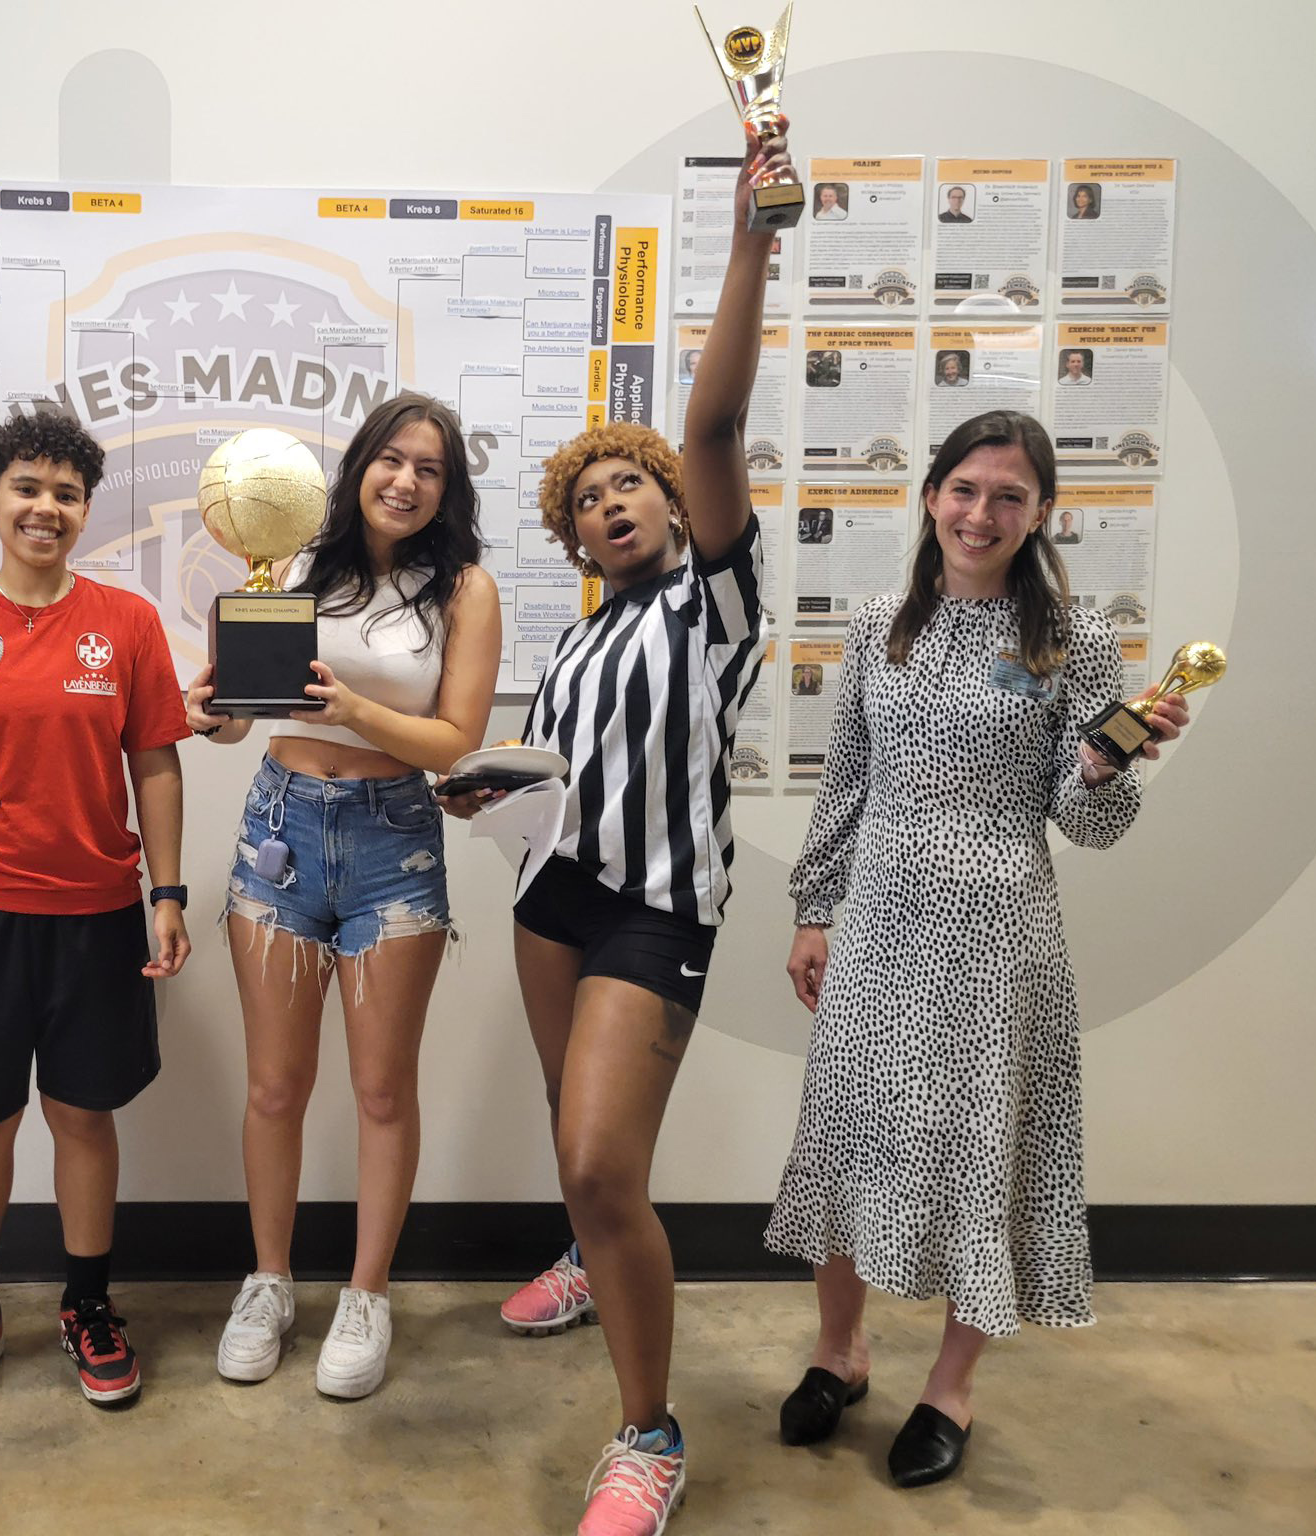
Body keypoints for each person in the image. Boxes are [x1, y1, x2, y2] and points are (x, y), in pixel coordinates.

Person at [453, 120, 789, 1536]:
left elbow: (713, 422)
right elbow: (574, 765)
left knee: (602, 1161)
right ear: (577, 536)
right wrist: (499, 784)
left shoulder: (713, 607)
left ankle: (648, 1436)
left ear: (671, 500)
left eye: (629, 486)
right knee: (570, 1128)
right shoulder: (584, 641)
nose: (611, 507)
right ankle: (593, 1258)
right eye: (588, 503)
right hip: (554, 899)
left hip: (661, 912)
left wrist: (750, 239)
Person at [764, 409, 1189, 1490]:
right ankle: (838, 1352)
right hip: (880, 920)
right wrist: (814, 908)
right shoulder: (877, 625)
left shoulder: (1073, 640)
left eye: (1008, 496)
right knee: (850, 1130)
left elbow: (1081, 823)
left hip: (999, 931)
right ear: (929, 496)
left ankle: (949, 1385)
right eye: (963, 489)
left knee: (985, 1149)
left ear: (1041, 512)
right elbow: (846, 776)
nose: (980, 513)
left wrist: (1102, 767)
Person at [185, 391, 499, 1400]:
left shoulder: (462, 591)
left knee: (377, 1088)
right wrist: (211, 710)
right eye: (389, 459)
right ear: (358, 466)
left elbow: (454, 742)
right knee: (275, 1086)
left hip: (391, 845)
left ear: (446, 490)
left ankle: (366, 1294)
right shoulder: (291, 572)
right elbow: (245, 720)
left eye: (429, 468)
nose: (404, 480)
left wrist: (352, 703)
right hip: (278, 830)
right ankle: (268, 1280)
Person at [0, 410, 191, 1419]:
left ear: (84, 511)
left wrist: (168, 893)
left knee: (81, 1115)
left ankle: (88, 1306)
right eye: (26, 488)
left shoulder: (126, 623)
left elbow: (154, 759)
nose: (43, 508)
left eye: (64, 493)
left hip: (96, 911)